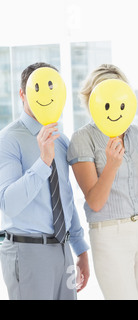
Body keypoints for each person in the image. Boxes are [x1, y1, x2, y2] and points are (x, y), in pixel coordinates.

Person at [67, 64, 138, 300]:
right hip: (110, 235)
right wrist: (111, 165)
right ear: (91, 98)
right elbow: (95, 202)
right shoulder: (82, 138)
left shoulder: (134, 132)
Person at [0, 62, 90, 300]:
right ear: (22, 94)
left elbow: (65, 196)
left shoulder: (61, 141)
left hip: (63, 250)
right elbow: (9, 204)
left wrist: (80, 250)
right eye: (38, 89)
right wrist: (43, 162)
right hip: (27, 249)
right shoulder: (8, 140)